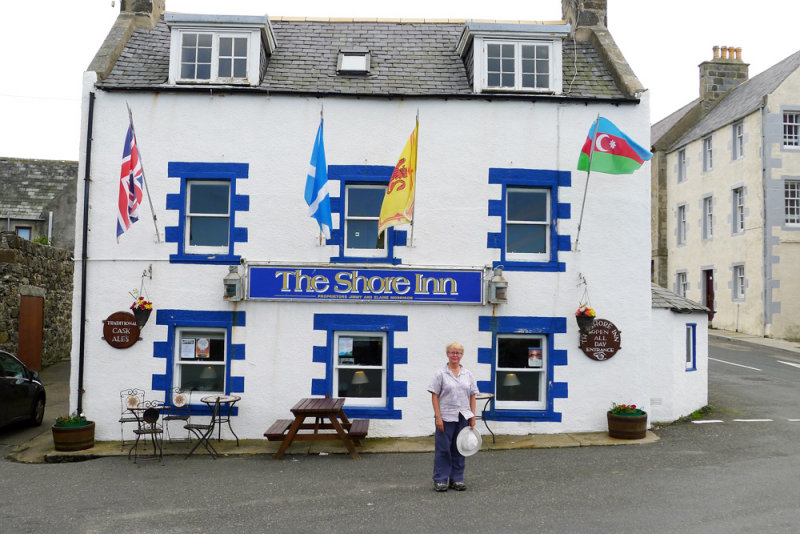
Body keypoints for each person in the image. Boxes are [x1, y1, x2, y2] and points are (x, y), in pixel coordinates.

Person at [427, 341, 479, 492]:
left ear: (462, 355)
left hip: (463, 416)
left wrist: (473, 416)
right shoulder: (440, 374)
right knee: (444, 449)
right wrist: (438, 417)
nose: (455, 355)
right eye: (452, 352)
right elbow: (434, 396)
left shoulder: (468, 374)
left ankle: (457, 479)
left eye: (458, 353)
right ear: (447, 354)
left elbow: (473, 395)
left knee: (460, 448)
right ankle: (440, 479)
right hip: (445, 417)